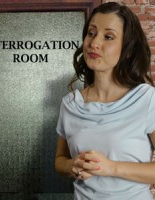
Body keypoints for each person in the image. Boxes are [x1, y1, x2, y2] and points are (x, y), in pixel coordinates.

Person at [55, 2, 155, 200]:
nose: (94, 43)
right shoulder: (70, 104)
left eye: (108, 37)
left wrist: (112, 167)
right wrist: (71, 166)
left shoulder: (147, 99)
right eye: (91, 33)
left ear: (126, 48)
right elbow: (60, 161)